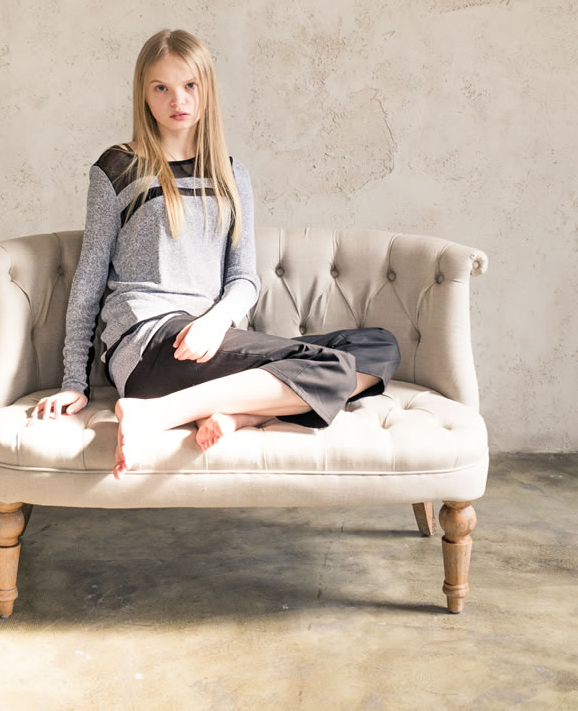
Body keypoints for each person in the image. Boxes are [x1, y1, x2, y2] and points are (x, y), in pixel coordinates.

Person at [33, 28, 400, 480]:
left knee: (378, 347)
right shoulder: (118, 167)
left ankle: (238, 414)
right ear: (143, 94)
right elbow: (88, 280)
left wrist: (215, 320)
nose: (178, 100)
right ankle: (156, 411)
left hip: (210, 338)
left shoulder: (230, 173)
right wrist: (75, 382)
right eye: (161, 88)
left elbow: (244, 277)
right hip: (150, 345)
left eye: (190, 85)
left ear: (206, 88)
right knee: (331, 369)